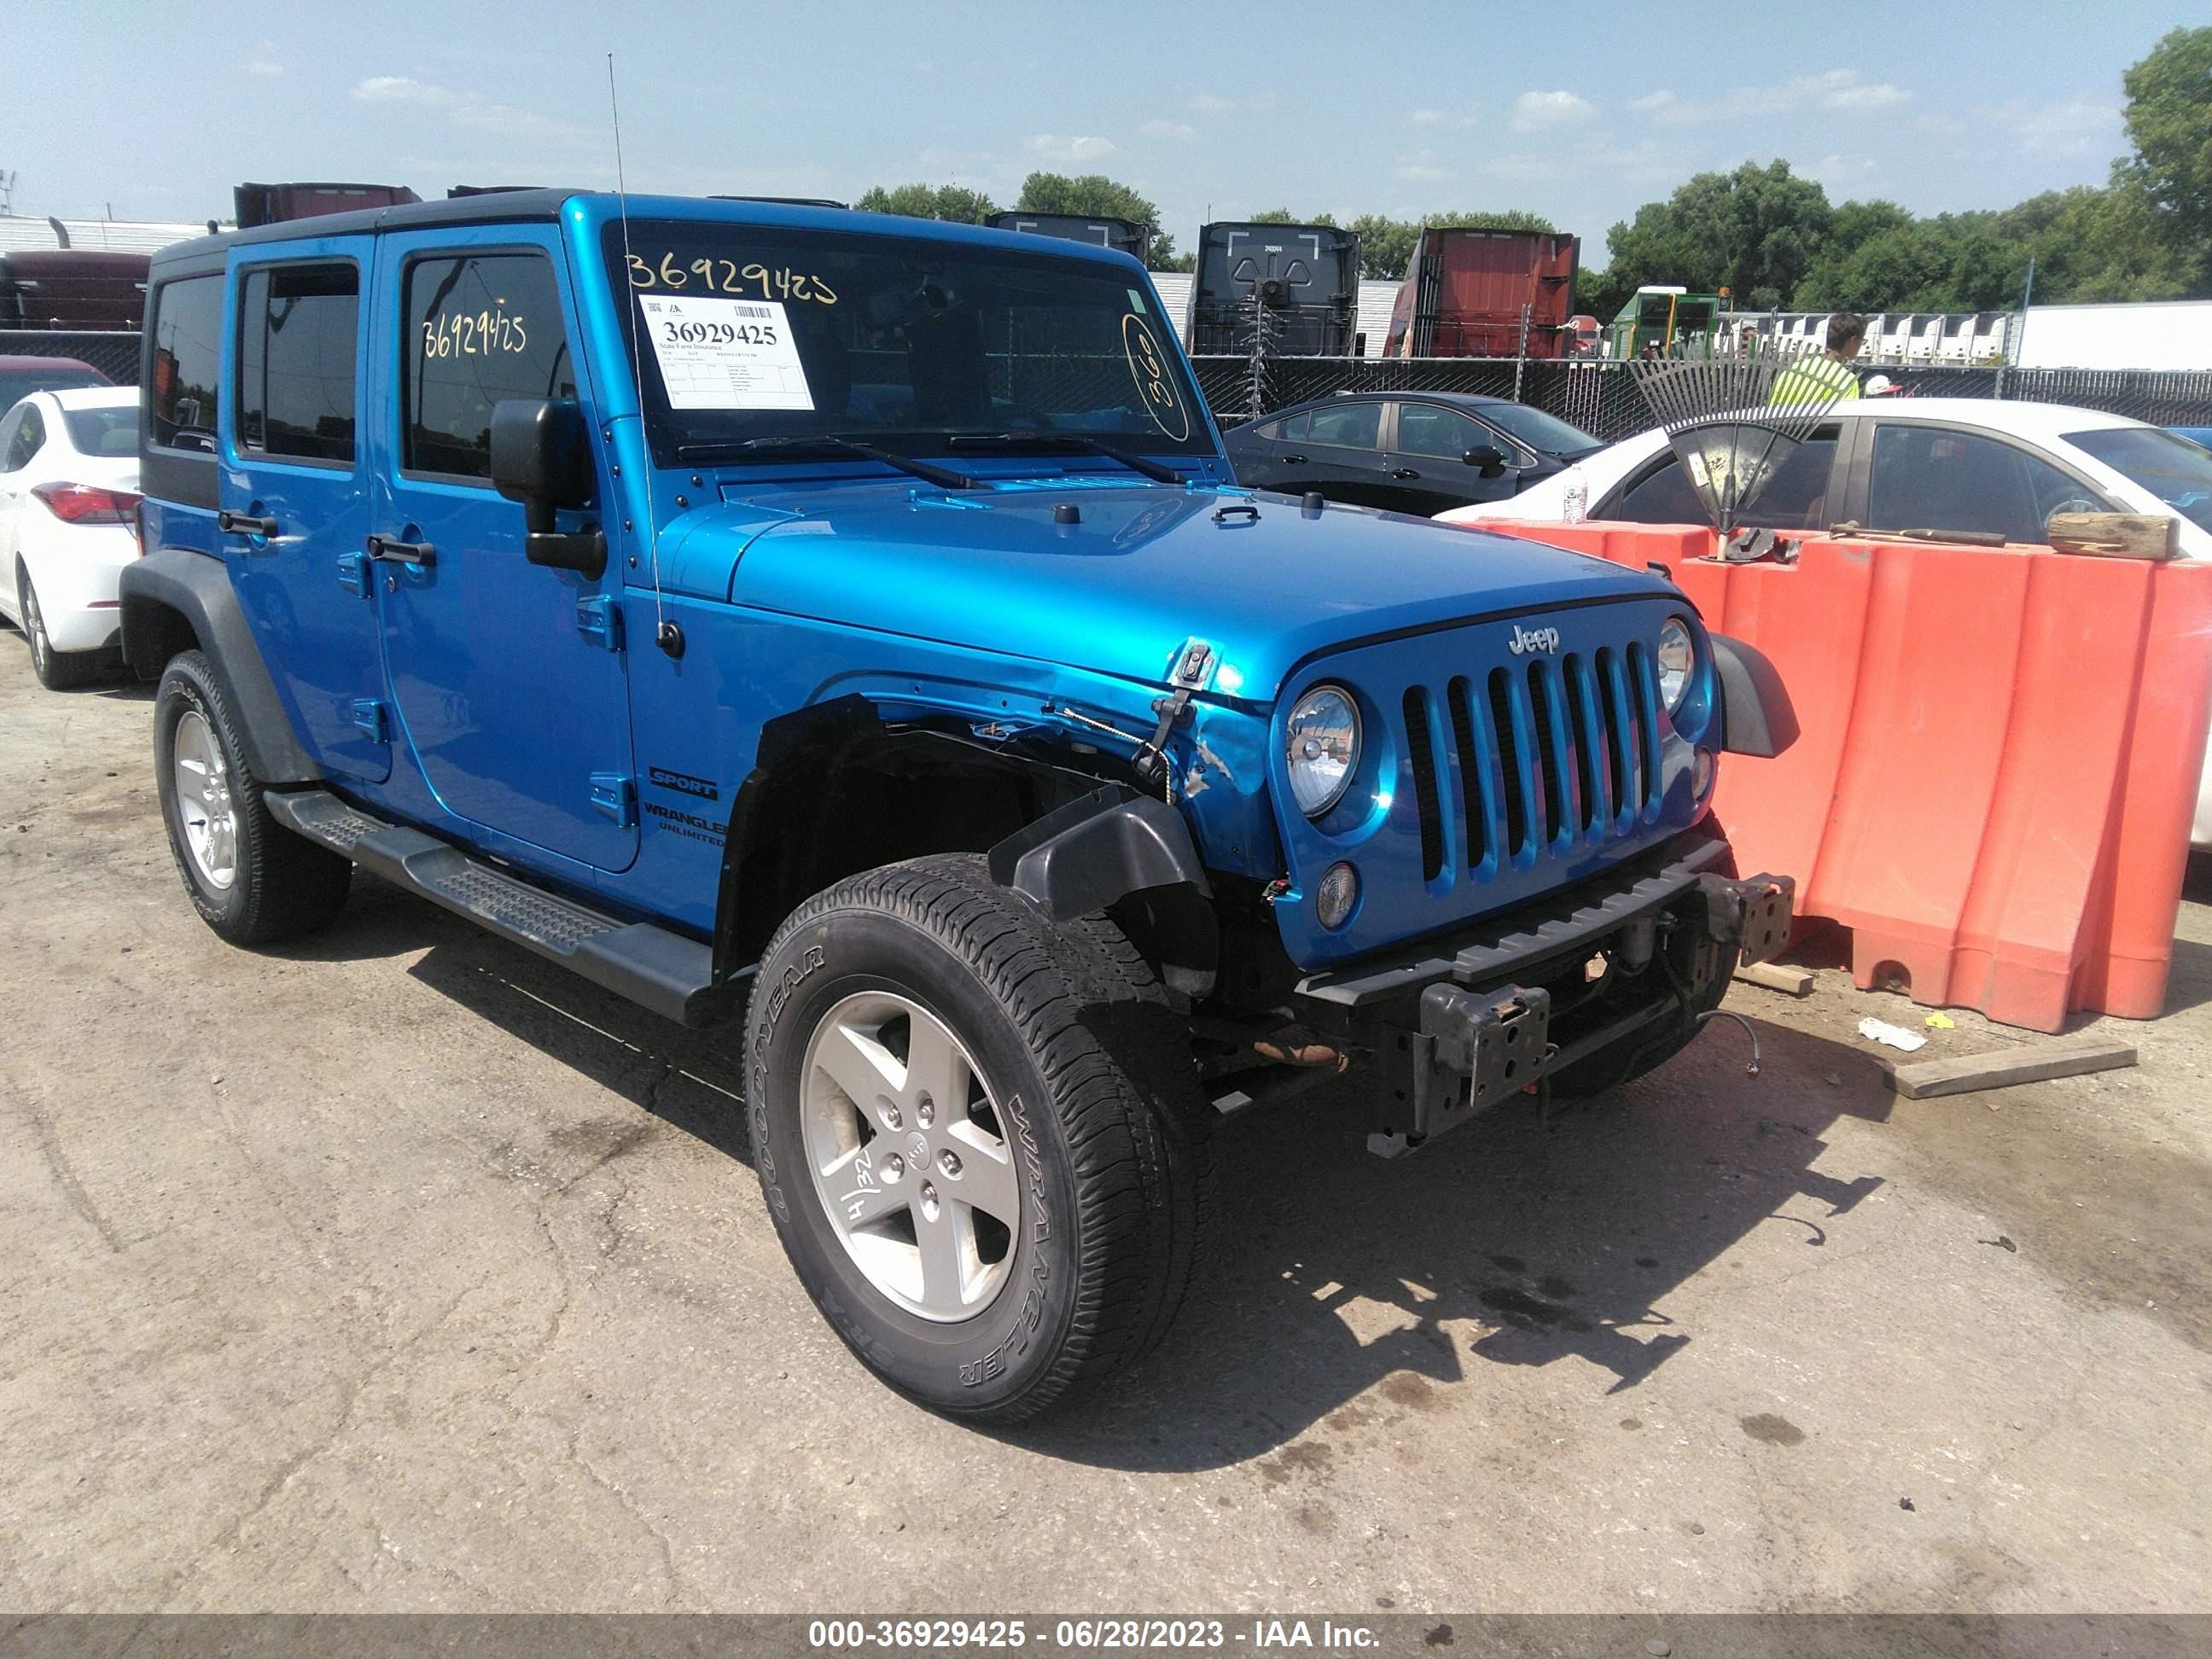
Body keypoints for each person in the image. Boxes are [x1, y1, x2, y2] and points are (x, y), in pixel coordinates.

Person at [1771, 312, 1864, 405]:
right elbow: (1846, 418)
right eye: (1862, 341)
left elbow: (1772, 411)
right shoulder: (1846, 380)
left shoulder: (1792, 371)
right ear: (1852, 341)